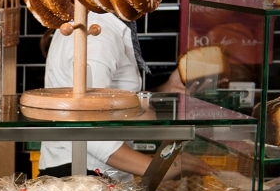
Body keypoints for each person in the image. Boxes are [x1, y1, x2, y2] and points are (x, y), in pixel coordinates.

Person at [37, 12, 182, 177]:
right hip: (82, 174)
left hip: (85, 171)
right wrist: (160, 169)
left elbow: (106, 99)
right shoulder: (97, 34)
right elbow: (87, 129)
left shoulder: (95, 24)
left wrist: (165, 90)